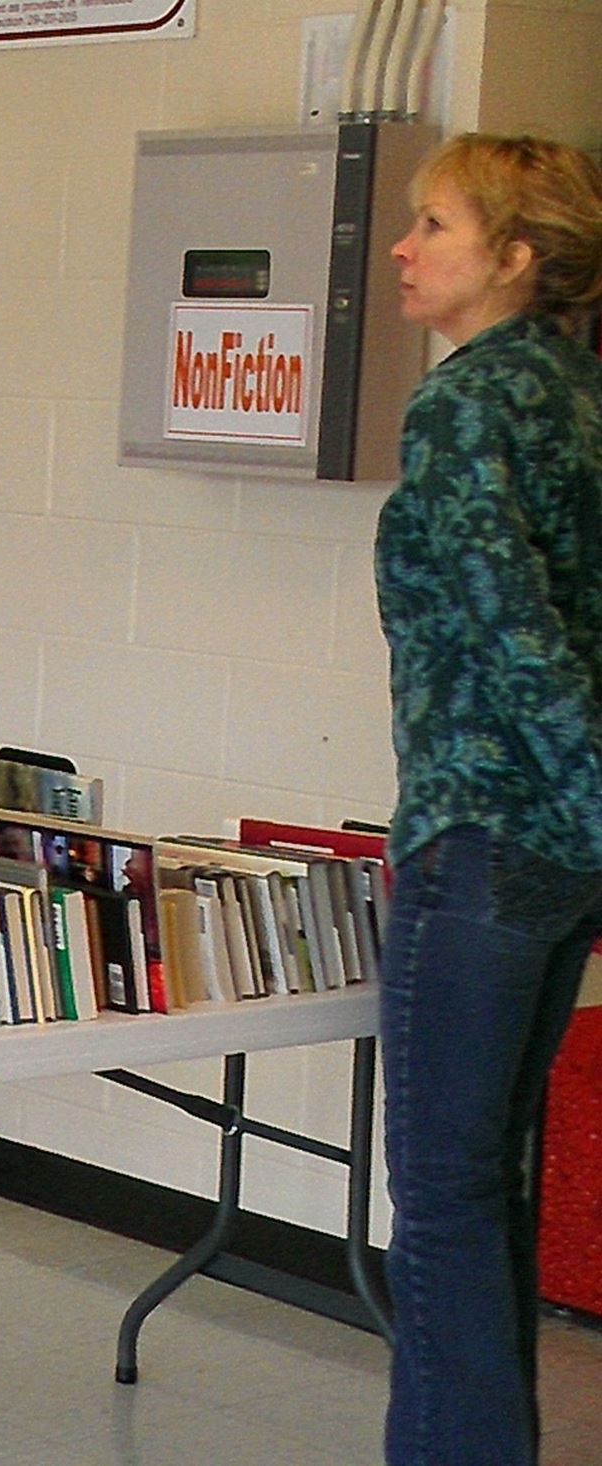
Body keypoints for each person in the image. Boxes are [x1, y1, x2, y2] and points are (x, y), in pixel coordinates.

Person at [372, 133, 602, 1466]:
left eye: (437, 225)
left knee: (447, 1195)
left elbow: (515, 633)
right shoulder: (574, 391)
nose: (403, 249)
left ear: (516, 257)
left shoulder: (463, 405)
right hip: (559, 857)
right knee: (490, 1185)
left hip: (485, 838)